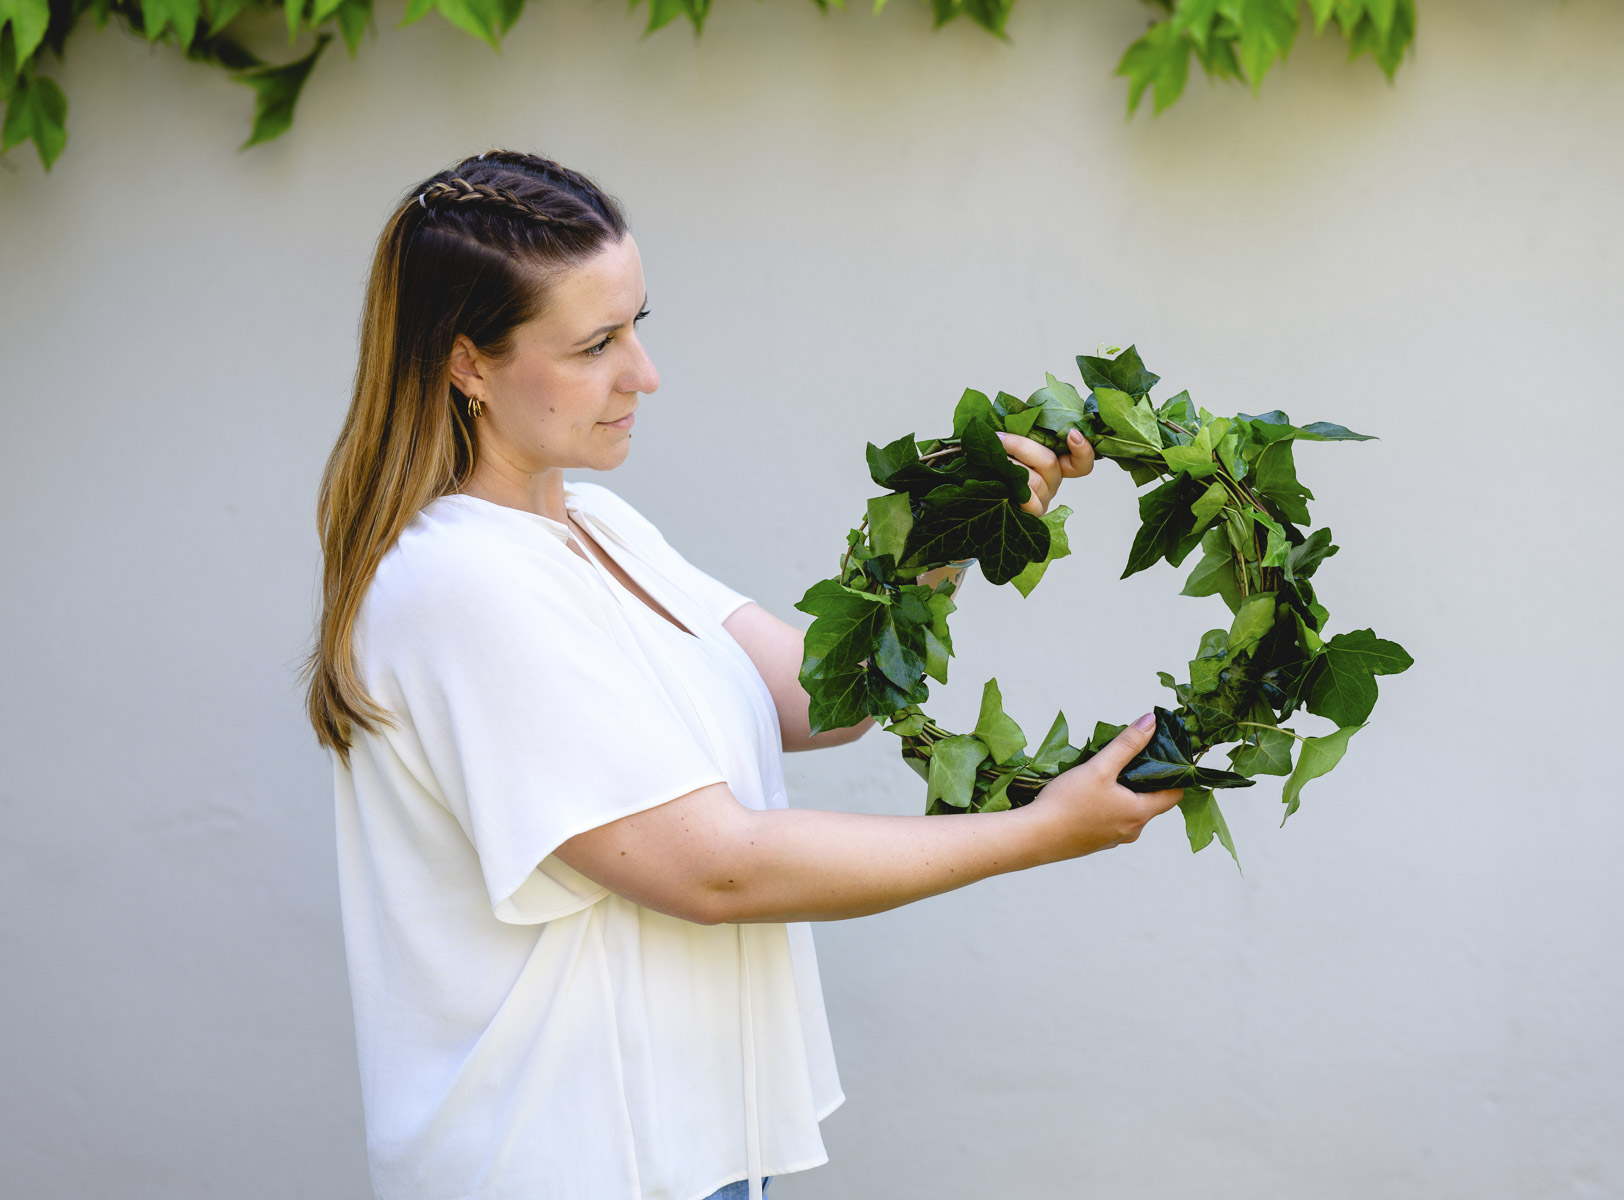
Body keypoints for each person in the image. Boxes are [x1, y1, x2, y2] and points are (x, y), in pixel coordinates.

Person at [303, 149, 1187, 1200]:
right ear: (468, 364)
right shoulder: (462, 583)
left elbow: (825, 699)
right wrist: (1040, 833)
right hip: (568, 1164)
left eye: (636, 325)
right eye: (595, 344)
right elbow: (714, 869)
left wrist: (952, 529)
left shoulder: (598, 529)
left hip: (689, 1155)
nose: (643, 373)